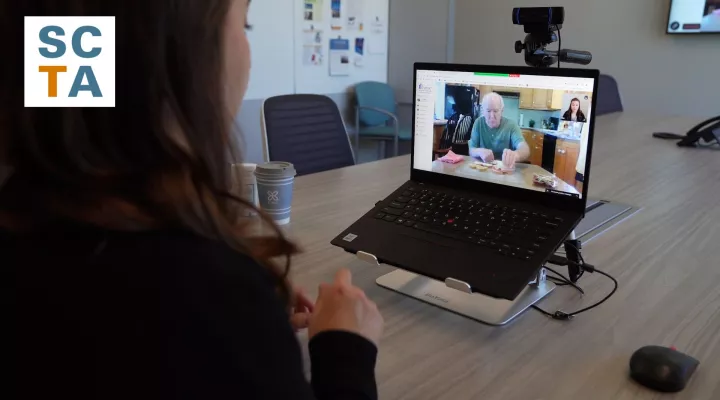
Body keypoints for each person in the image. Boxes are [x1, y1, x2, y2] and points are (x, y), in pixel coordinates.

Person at [2, 1, 383, 399]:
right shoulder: (207, 298)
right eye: (246, 25)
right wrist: (344, 349)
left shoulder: (22, 220)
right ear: (184, 55)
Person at [468, 92, 529, 168]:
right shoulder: (478, 123)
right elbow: (471, 150)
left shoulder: (511, 125)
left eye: (496, 111)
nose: (492, 116)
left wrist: (516, 155)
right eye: (488, 111)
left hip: (504, 171)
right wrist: (479, 151)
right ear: (483, 110)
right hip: (483, 169)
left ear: (502, 110)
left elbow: (524, 149)